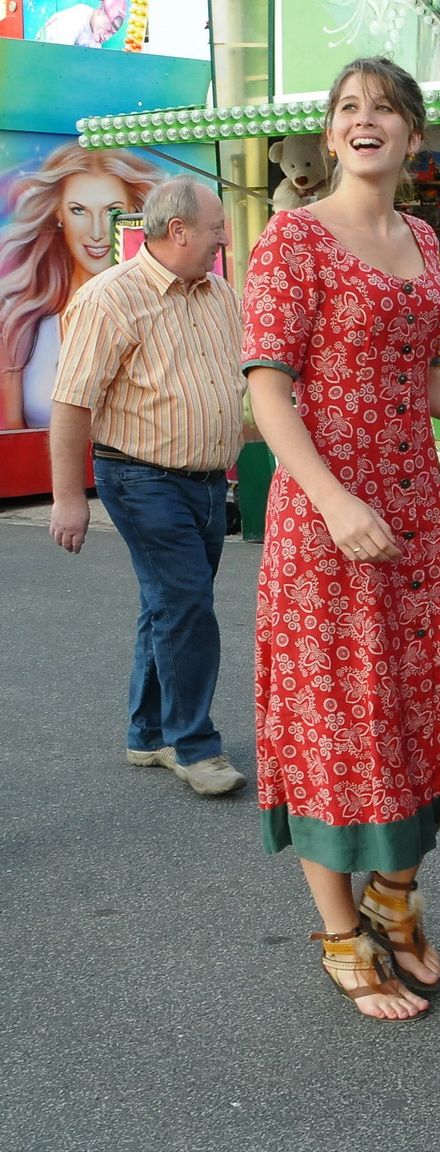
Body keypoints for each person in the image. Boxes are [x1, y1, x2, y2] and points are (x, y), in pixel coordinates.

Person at [242, 57, 440, 1021]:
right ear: (328, 135)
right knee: (338, 715)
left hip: (417, 508)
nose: (366, 121)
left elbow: (421, 380)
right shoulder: (291, 240)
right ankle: (340, 931)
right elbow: (268, 386)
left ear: (412, 132)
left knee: (429, 696)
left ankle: (396, 895)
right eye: (348, 108)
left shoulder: (425, 237)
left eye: (384, 108)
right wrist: (334, 502)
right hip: (327, 516)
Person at [47, 175, 246, 798]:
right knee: (186, 604)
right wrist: (68, 498)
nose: (223, 238)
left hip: (208, 481)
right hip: (140, 478)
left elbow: (237, 384)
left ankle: (147, 733)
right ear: (179, 230)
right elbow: (71, 404)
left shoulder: (219, 294)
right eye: (216, 227)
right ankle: (196, 747)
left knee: (168, 603)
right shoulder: (110, 299)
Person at [1, 142, 160, 428]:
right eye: (79, 210)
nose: (97, 232)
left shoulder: (158, 314)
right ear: (59, 214)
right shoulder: (21, 325)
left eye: (112, 211)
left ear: (131, 212)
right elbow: (14, 445)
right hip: (47, 472)